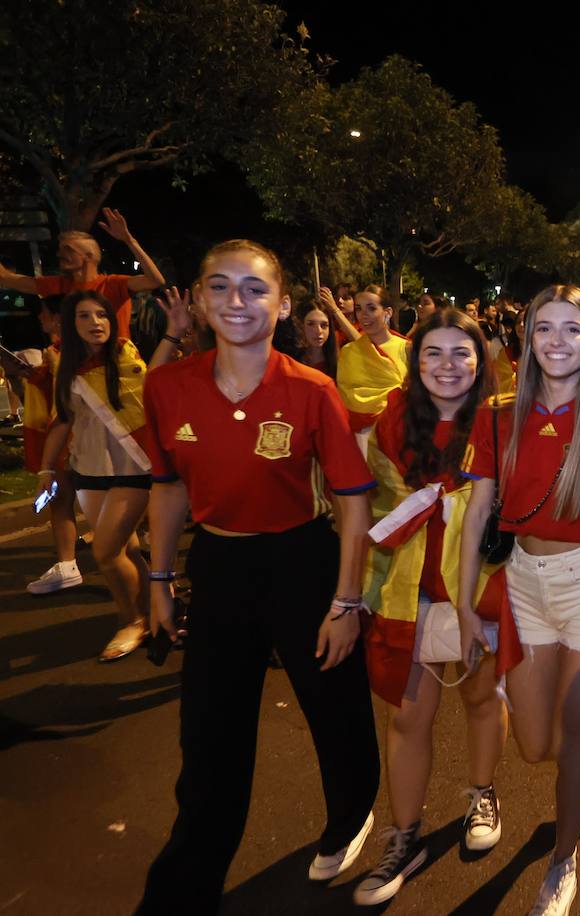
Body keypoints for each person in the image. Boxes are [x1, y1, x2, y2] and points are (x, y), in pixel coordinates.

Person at [136, 240, 380, 913]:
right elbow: (167, 488)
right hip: (218, 567)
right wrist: (159, 580)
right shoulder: (168, 386)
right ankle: (183, 891)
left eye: (254, 289)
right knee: (210, 737)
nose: (236, 302)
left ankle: (351, 814)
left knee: (336, 711)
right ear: (199, 300)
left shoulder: (312, 389)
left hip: (302, 561)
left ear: (283, 305)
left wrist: (347, 601)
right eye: (220, 287)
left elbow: (353, 499)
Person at [457, 284, 580, 916]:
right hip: (522, 584)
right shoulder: (496, 415)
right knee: (533, 745)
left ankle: (563, 858)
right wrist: (466, 604)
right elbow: (476, 514)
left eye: (572, 330)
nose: (557, 342)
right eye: (544, 328)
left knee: (567, 737)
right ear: (527, 337)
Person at [353, 309, 510, 904]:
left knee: (477, 697)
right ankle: (404, 836)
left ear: (480, 361)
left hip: (479, 586)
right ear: (414, 364)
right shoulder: (391, 423)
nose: (447, 366)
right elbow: (368, 510)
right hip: (408, 585)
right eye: (433, 354)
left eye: (460, 354)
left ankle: (482, 791)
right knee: (407, 715)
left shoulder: (500, 423)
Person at [37, 290, 182, 660]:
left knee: (105, 550)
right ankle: (158, 607)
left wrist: (172, 335)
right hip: (89, 469)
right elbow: (61, 418)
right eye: (84, 316)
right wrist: (46, 467)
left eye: (101, 315)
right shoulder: (61, 362)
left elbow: (151, 384)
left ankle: (133, 621)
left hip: (134, 464)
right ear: (70, 324)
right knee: (127, 549)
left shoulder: (123, 352)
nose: (95, 322)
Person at [3, 296, 83, 595]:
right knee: (74, 500)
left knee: (63, 500)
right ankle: (70, 563)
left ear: (57, 318)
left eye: (44, 315)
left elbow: (64, 399)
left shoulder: (63, 351)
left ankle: (69, 565)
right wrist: (30, 374)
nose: (40, 320)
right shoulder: (61, 351)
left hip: (67, 435)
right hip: (67, 434)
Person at [0, 210, 166, 340]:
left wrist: (129, 240)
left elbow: (155, 280)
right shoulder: (60, 284)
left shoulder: (114, 284)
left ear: (89, 257)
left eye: (68, 250)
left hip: (111, 370)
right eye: (61, 249)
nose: (60, 254)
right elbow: (6, 278)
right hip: (76, 370)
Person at [337, 285, 409, 432]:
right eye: (359, 309)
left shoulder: (407, 349)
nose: (363, 315)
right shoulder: (348, 352)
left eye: (371, 308)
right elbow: (346, 397)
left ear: (387, 312)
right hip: (358, 436)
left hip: (398, 433)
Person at [296, 298, 339, 378]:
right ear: (301, 326)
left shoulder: (338, 363)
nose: (318, 331)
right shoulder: (293, 362)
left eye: (324, 325)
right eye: (311, 324)